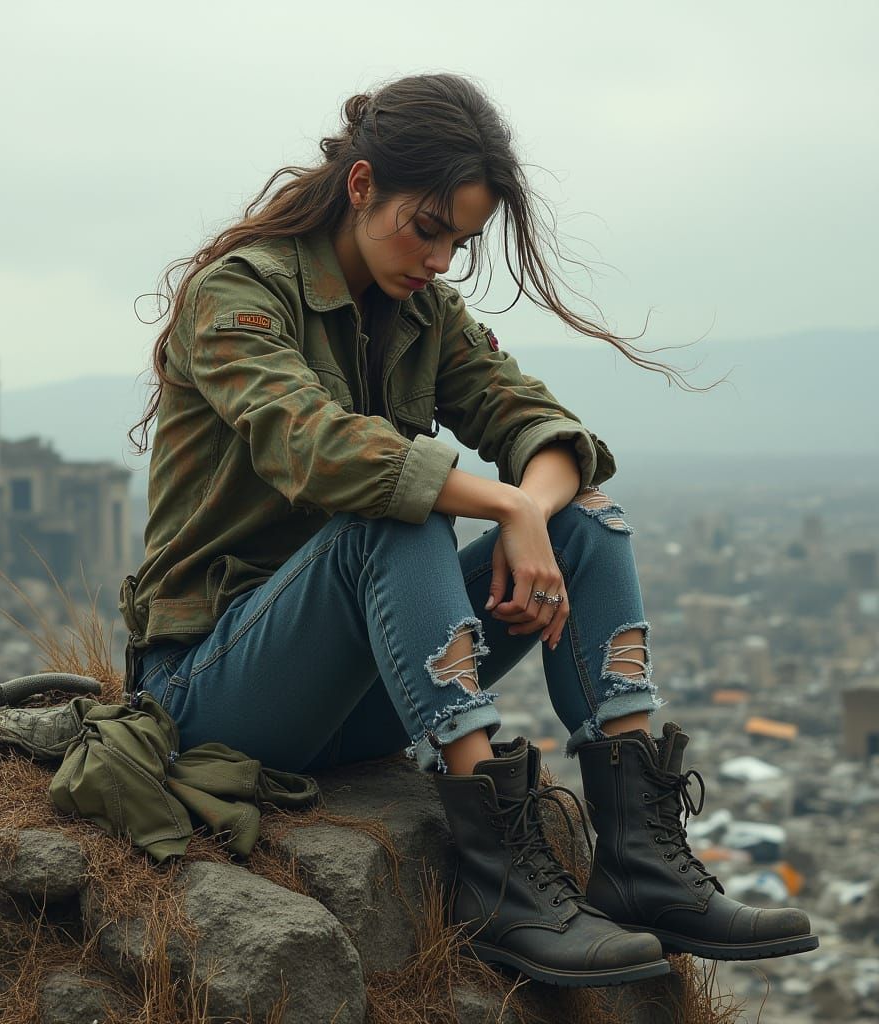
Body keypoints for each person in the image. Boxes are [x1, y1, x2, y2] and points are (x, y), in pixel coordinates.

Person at [120, 73, 817, 987]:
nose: (442, 259)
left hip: (360, 694)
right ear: (361, 184)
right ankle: (502, 888)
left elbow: (543, 427)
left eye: (460, 239)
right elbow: (317, 448)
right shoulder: (238, 296)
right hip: (218, 694)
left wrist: (531, 506)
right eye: (429, 227)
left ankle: (642, 858)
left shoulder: (422, 316)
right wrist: (501, 505)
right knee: (395, 517)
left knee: (590, 522)